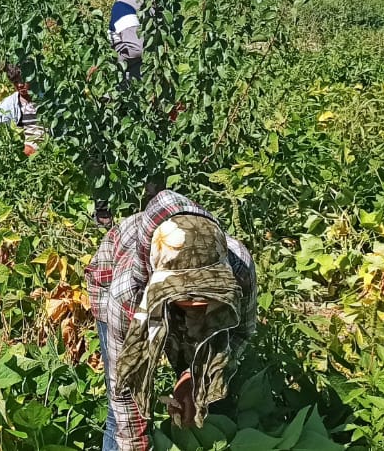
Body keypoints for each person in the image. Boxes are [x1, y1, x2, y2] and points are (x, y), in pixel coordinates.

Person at [87, 184, 257, 451]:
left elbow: (239, 333)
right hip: (114, 278)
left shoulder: (239, 267)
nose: (198, 304)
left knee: (209, 399)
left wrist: (194, 376)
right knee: (122, 416)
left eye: (209, 294)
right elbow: (125, 392)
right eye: (188, 296)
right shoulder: (126, 295)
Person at [99, 0, 144, 80]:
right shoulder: (146, 0)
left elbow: (135, 49)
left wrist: (107, 64)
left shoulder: (123, 7)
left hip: (131, 84)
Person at [0, 64, 45, 156]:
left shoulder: (45, 99)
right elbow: (1, 131)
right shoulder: (7, 105)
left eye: (22, 80)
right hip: (24, 150)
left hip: (48, 143)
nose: (20, 85)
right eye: (16, 82)